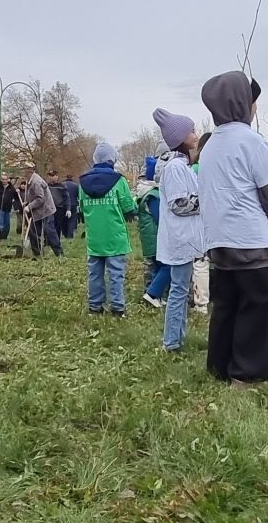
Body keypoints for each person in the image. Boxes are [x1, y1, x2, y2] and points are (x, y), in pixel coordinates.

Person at [199, 70, 268, 385]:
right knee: (257, 307)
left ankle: (220, 366)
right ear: (242, 103)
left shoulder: (210, 145)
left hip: (219, 241)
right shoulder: (251, 141)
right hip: (250, 241)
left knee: (226, 305)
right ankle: (247, 373)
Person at [152, 109, 205, 350]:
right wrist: (207, 202)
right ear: (181, 138)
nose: (195, 134)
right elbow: (179, 204)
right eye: (192, 130)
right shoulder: (175, 168)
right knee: (178, 291)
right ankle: (171, 342)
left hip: (184, 239)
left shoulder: (181, 166)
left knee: (181, 290)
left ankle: (177, 338)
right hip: (179, 239)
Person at [78, 142, 138, 316]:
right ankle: (118, 307)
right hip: (115, 236)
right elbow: (128, 208)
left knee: (94, 273)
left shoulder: (83, 183)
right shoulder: (119, 181)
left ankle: (95, 306)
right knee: (116, 274)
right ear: (112, 159)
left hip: (94, 237)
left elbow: (81, 208)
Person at [135, 160, 167, 307]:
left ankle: (153, 294)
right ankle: (151, 294)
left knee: (155, 266)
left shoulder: (145, 193)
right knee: (162, 266)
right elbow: (160, 218)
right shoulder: (154, 195)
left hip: (148, 237)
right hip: (156, 238)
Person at [20, 161, 61, 259]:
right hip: (38, 211)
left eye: (23, 170)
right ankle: (37, 254)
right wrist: (26, 203)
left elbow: (40, 198)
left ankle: (59, 253)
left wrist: (29, 207)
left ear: (29, 171)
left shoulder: (36, 181)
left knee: (49, 231)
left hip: (46, 210)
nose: (22, 172)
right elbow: (33, 195)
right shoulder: (29, 180)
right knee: (32, 232)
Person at [191, 132, 213, 315]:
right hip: (217, 219)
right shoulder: (216, 167)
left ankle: (201, 303)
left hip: (199, 219)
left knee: (200, 262)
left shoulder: (195, 169)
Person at [0, 175, 17, 241]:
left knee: (7, 223)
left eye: (5, 179)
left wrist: (17, 192)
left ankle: (5, 236)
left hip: (7, 208)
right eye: (3, 179)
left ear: (8, 180)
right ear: (1, 180)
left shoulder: (11, 188)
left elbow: (16, 197)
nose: (4, 181)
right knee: (0, 223)